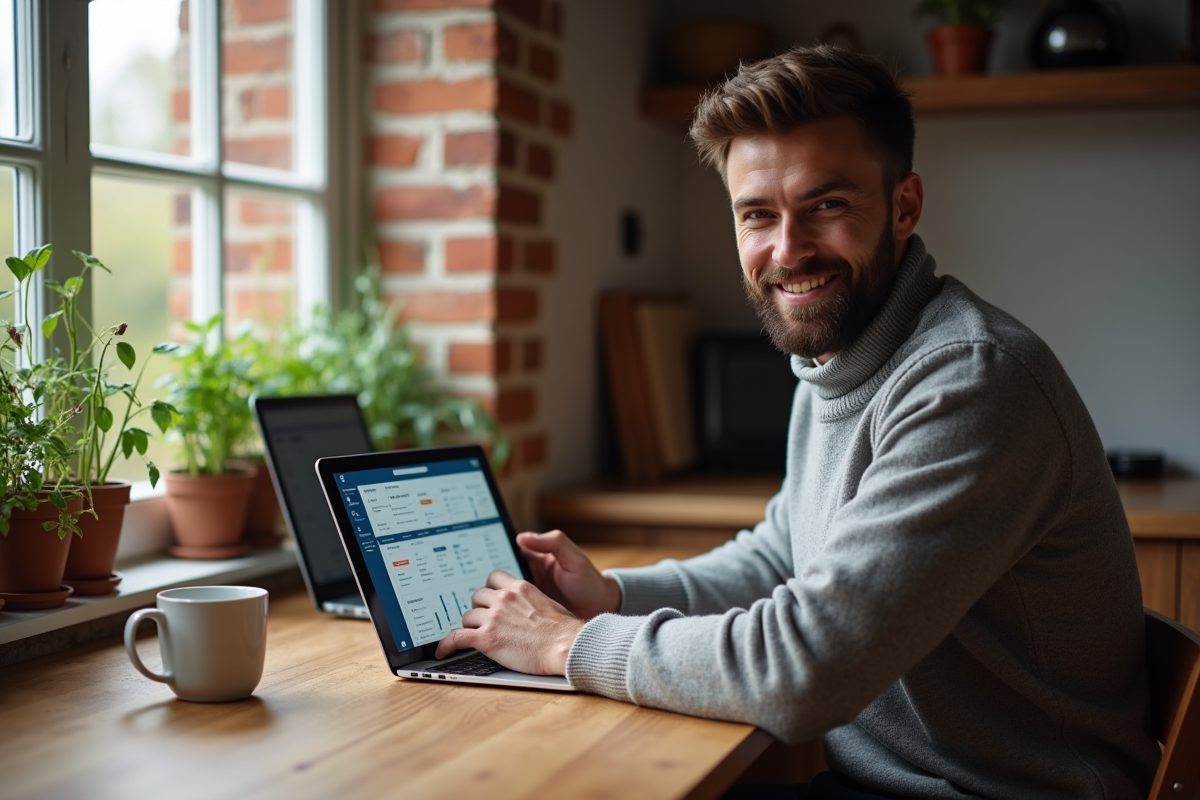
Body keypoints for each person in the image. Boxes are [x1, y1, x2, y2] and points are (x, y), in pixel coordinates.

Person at [434, 46, 1159, 799]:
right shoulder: (837, 356)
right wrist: (615, 596)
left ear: (904, 206)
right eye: (758, 215)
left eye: (827, 206)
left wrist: (567, 644)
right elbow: (783, 557)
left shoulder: (969, 382)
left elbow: (804, 670)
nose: (788, 250)